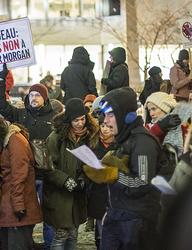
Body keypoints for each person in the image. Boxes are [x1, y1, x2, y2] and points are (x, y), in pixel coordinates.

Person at [84, 87, 161, 250]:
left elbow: (142, 183)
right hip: (118, 217)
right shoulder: (123, 140)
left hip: (135, 222)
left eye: (110, 115)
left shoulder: (142, 142)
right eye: (104, 115)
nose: (105, 121)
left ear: (127, 116)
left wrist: (113, 175)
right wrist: (111, 211)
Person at [0, 64, 57, 249]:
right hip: (26, 177)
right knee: (25, 216)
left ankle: (49, 246)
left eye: (37, 95)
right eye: (31, 95)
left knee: (49, 216)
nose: (33, 98)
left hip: (46, 176)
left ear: (45, 98)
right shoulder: (19, 114)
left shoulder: (54, 118)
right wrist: (0, 78)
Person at [0, 117, 43, 250]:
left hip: (18, 206)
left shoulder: (15, 141)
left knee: (17, 244)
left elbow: (19, 175)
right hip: (10, 204)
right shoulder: (7, 141)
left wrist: (18, 205)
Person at [43, 98, 98, 249]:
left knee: (73, 235)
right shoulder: (56, 138)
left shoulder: (88, 137)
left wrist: (83, 180)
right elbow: (47, 167)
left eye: (82, 119)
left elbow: (90, 165)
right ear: (68, 120)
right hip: (58, 196)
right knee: (61, 237)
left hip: (77, 196)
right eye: (75, 120)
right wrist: (65, 180)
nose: (80, 123)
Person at [87, 112, 115, 249]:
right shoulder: (93, 143)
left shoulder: (118, 144)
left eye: (108, 126)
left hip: (113, 192)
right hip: (98, 192)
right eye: (102, 125)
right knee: (101, 232)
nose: (104, 129)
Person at [144, 92, 192, 156]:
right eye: (149, 110)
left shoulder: (184, 130)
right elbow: (144, 143)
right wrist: (160, 126)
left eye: (154, 109)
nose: (151, 114)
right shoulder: (148, 128)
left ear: (165, 109)